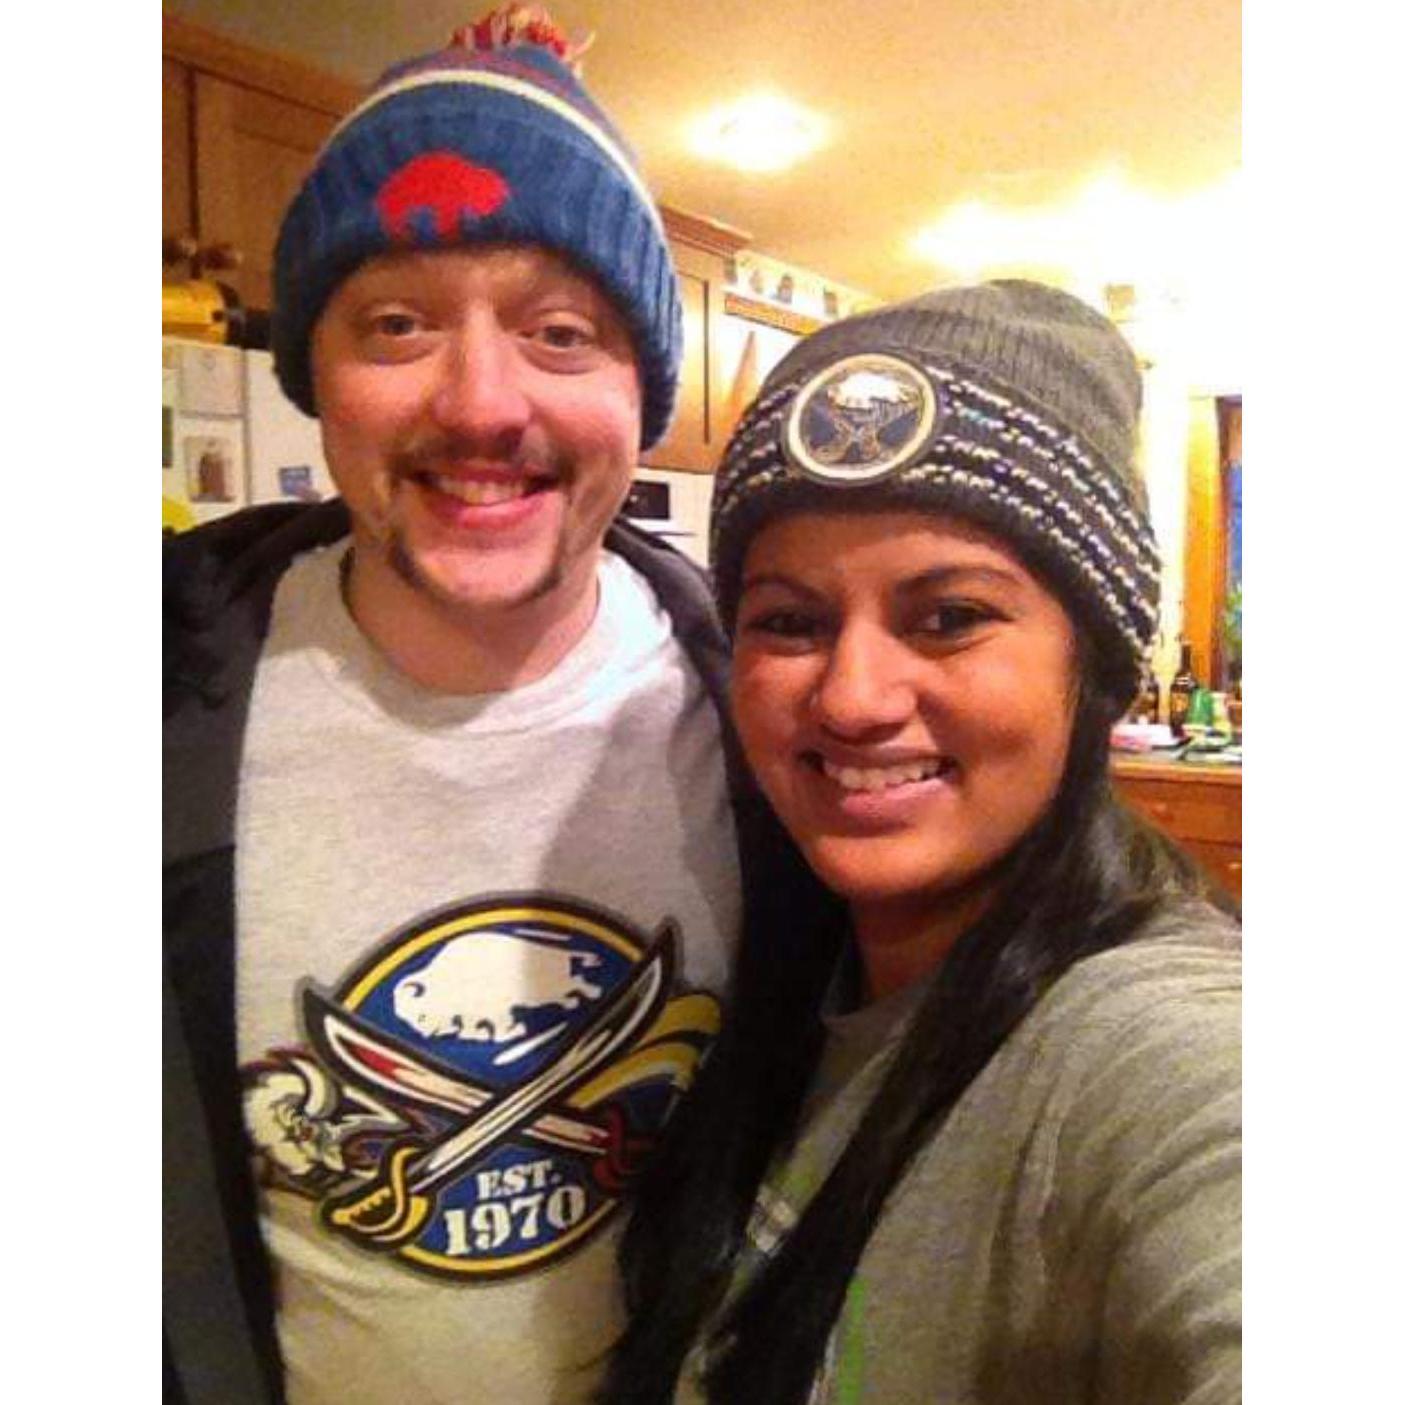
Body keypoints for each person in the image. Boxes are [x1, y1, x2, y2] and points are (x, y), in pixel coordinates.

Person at [163, 9, 772, 1402]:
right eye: (398, 323)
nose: (482, 403)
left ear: (640, 389)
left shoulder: (771, 722)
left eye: (561, 332)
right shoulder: (143, 697)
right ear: (315, 373)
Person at [604, 281, 1242, 1404]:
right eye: (789, 622)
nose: (852, 698)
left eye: (948, 617)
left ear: (1092, 661)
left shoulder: (1158, 1055)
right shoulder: (772, 981)